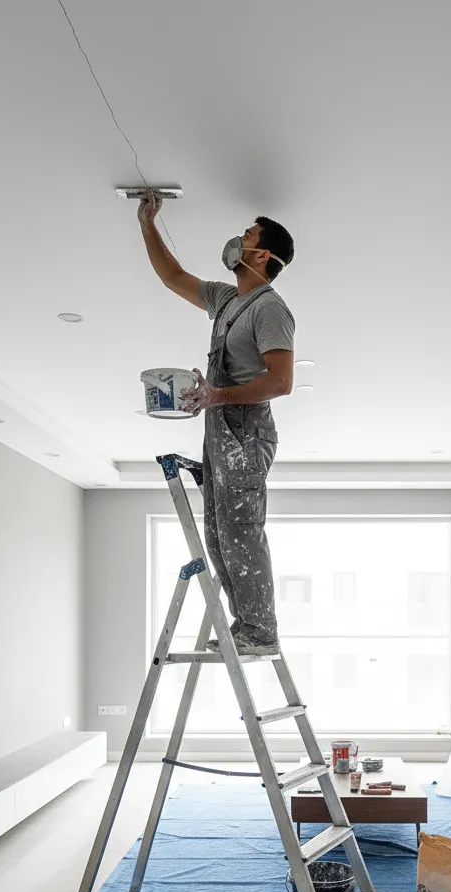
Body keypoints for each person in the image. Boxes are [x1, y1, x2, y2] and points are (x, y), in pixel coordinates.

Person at [137, 191, 295, 656]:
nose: (237, 241)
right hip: (222, 429)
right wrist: (147, 222)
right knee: (219, 534)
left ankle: (261, 634)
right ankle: (244, 626)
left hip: (246, 431)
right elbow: (173, 277)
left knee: (241, 530)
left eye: (247, 236)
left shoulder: (270, 308)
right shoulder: (229, 300)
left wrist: (217, 395)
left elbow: (281, 381)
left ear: (261, 254)